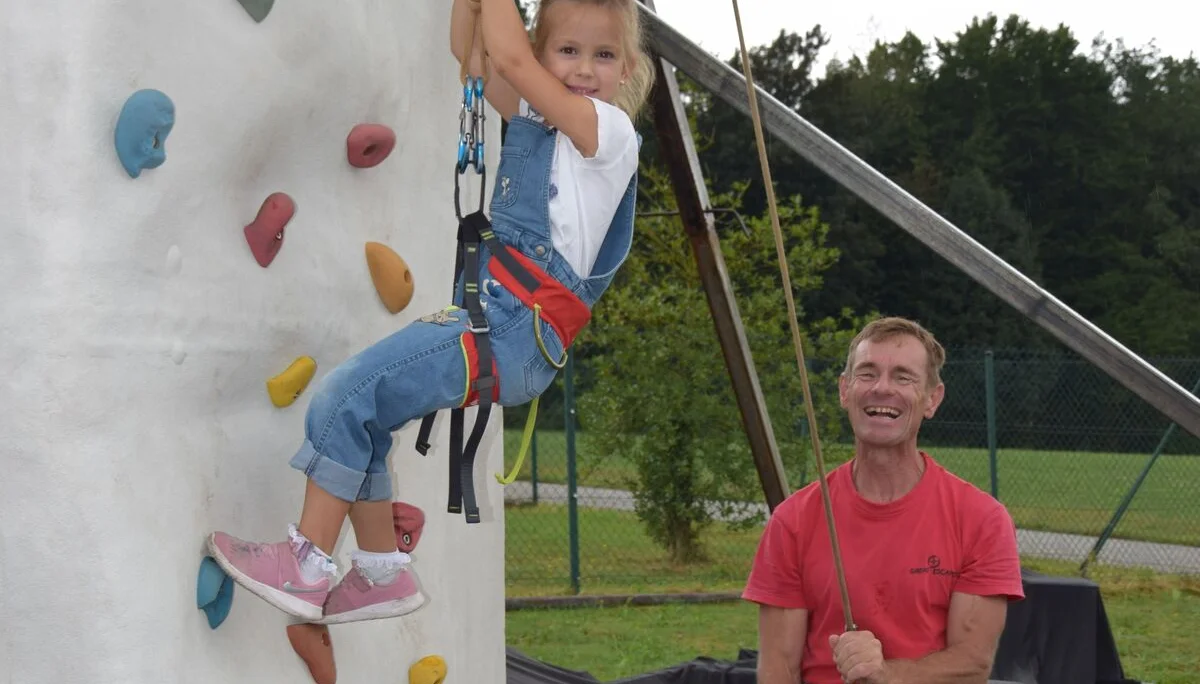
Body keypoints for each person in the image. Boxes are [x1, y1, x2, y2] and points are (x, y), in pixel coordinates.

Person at [204, 0, 654, 625]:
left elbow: (511, 58)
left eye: (603, 55)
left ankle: (306, 567)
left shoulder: (608, 134)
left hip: (514, 323)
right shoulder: (536, 119)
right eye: (568, 52)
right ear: (548, 54)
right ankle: (382, 571)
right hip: (504, 320)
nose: (583, 69)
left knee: (344, 395)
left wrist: (511, 40)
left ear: (627, 68)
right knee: (369, 415)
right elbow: (468, 48)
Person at [743, 317, 1025, 684]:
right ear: (845, 391)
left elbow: (972, 665)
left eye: (903, 377)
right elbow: (778, 670)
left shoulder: (981, 518)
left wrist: (887, 674)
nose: (882, 388)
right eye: (867, 373)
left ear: (932, 399)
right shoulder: (794, 519)